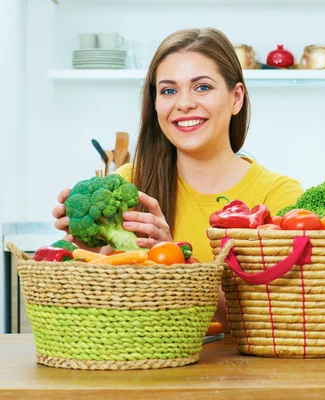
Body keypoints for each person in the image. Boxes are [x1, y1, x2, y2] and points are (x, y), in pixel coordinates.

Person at [52, 27, 304, 329]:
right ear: (155, 103)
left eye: (202, 87)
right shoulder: (129, 185)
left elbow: (280, 318)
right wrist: (91, 256)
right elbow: (100, 317)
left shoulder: (278, 197)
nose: (183, 103)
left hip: (249, 374)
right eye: (169, 90)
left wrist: (175, 261)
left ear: (236, 98)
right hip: (149, 369)